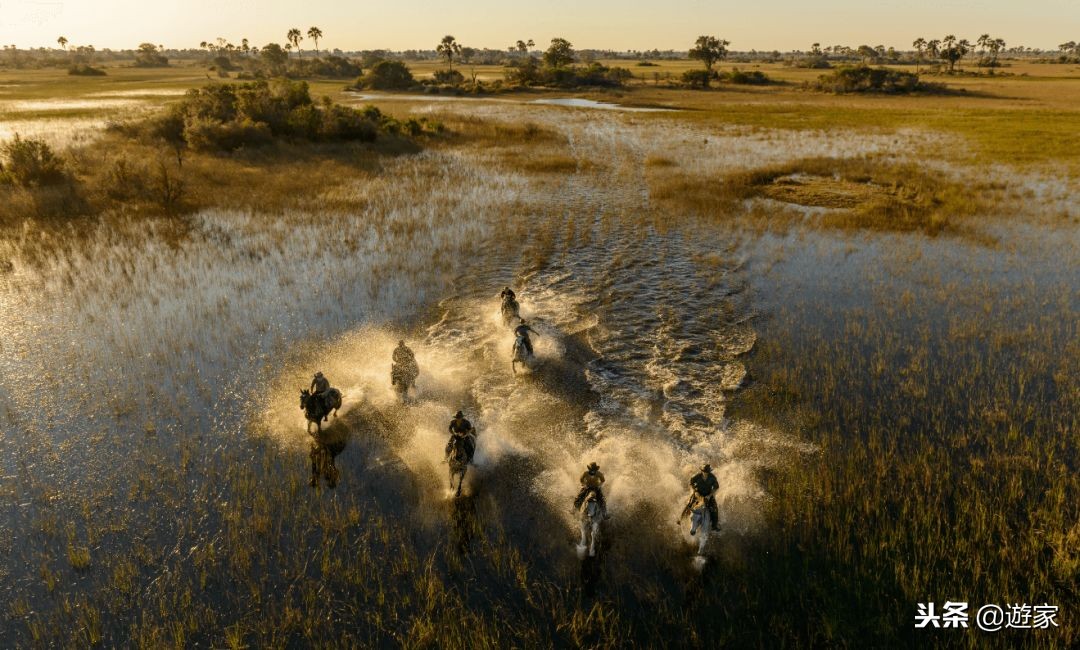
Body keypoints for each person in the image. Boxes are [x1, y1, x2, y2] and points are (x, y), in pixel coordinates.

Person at [689, 464, 720, 531]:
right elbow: (691, 483)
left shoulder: (712, 477)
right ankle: (681, 518)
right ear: (702, 471)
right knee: (689, 504)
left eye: (707, 472)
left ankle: (714, 525)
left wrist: (709, 496)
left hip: (708, 495)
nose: (706, 473)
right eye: (704, 472)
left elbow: (716, 487)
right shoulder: (696, 476)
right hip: (698, 494)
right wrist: (695, 491)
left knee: (714, 509)